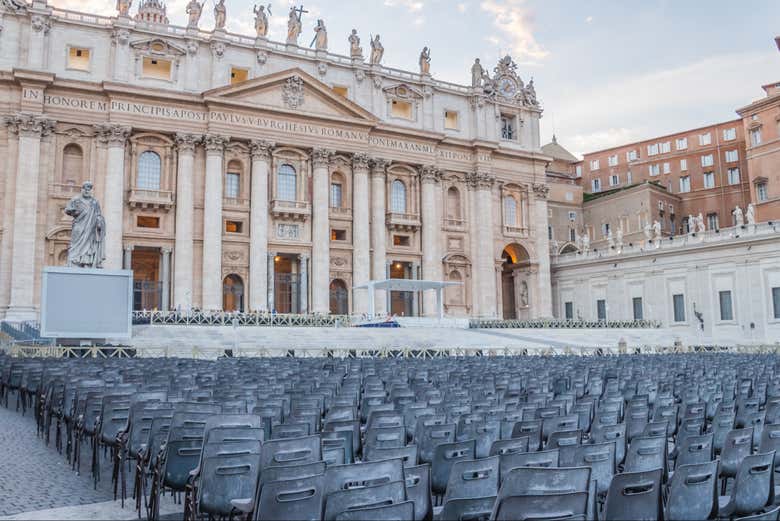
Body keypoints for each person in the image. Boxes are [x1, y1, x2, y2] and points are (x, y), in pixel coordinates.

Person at [65, 182, 105, 268]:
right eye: (85, 189)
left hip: (90, 227)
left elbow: (98, 214)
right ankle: (74, 261)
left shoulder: (95, 202)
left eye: (89, 189)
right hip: (79, 225)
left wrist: (99, 221)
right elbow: (67, 210)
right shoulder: (75, 199)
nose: (87, 191)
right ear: (82, 189)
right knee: (75, 243)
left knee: (89, 246)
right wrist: (73, 211)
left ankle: (87, 262)